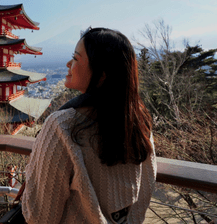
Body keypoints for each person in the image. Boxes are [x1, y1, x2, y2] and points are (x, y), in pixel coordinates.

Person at [22, 27, 156, 224]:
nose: (68, 64)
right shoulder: (138, 122)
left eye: (76, 59)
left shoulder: (62, 126)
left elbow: (40, 216)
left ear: (102, 74)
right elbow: (143, 193)